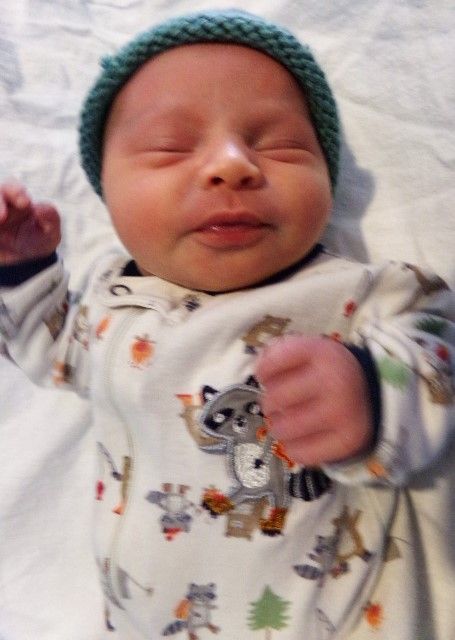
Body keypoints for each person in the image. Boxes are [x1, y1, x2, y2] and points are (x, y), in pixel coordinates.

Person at [0, 9, 454, 639]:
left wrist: (371, 389)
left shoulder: (363, 295)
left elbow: (439, 360)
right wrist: (23, 270)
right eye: (170, 146)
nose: (233, 164)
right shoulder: (111, 305)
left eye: (279, 143)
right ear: (108, 194)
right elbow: (44, 348)